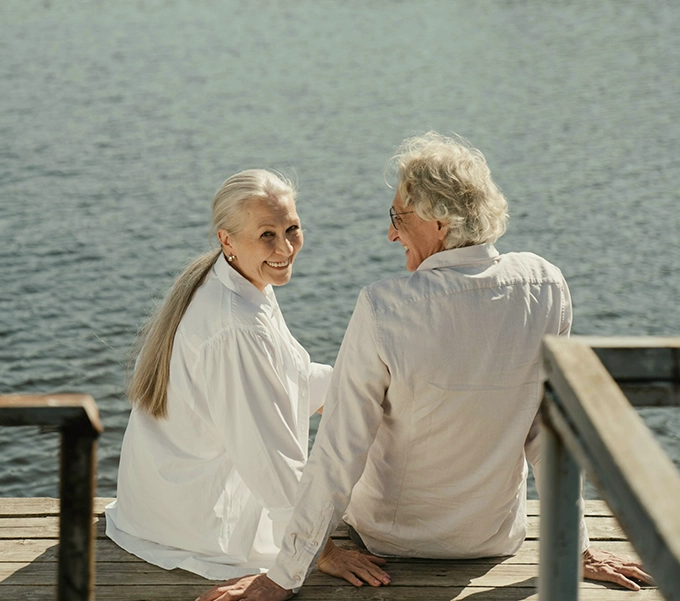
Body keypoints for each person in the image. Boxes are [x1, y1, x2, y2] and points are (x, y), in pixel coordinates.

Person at [195, 133, 653, 601]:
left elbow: (338, 452)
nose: (391, 233)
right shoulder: (546, 284)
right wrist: (576, 549)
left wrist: (283, 576)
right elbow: (549, 429)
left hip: (392, 541)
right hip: (491, 539)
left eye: (397, 217)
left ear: (438, 222)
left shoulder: (384, 306)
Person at [105, 169, 383, 581]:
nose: (286, 247)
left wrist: (376, 388)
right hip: (192, 523)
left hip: (155, 504)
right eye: (267, 234)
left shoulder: (239, 282)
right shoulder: (236, 325)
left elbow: (291, 375)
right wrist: (318, 551)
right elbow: (271, 456)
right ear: (227, 239)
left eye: (292, 229)